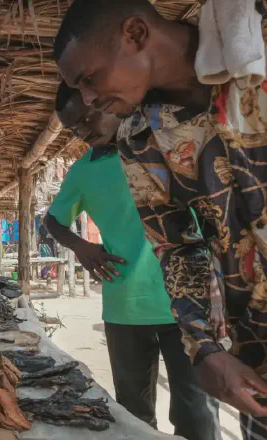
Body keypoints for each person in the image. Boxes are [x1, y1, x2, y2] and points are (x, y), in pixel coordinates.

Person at [54, 0, 267, 434]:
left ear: (134, 34)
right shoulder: (140, 138)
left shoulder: (256, 47)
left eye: (89, 79)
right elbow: (176, 246)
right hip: (255, 350)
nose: (90, 99)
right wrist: (204, 347)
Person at [46, 82, 221, 440]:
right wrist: (81, 246)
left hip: (188, 304)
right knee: (134, 417)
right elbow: (53, 221)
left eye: (87, 117)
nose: (83, 131)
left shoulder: (165, 142)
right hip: (124, 308)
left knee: (197, 417)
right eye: (73, 127)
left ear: (107, 100)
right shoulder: (83, 171)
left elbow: (214, 214)